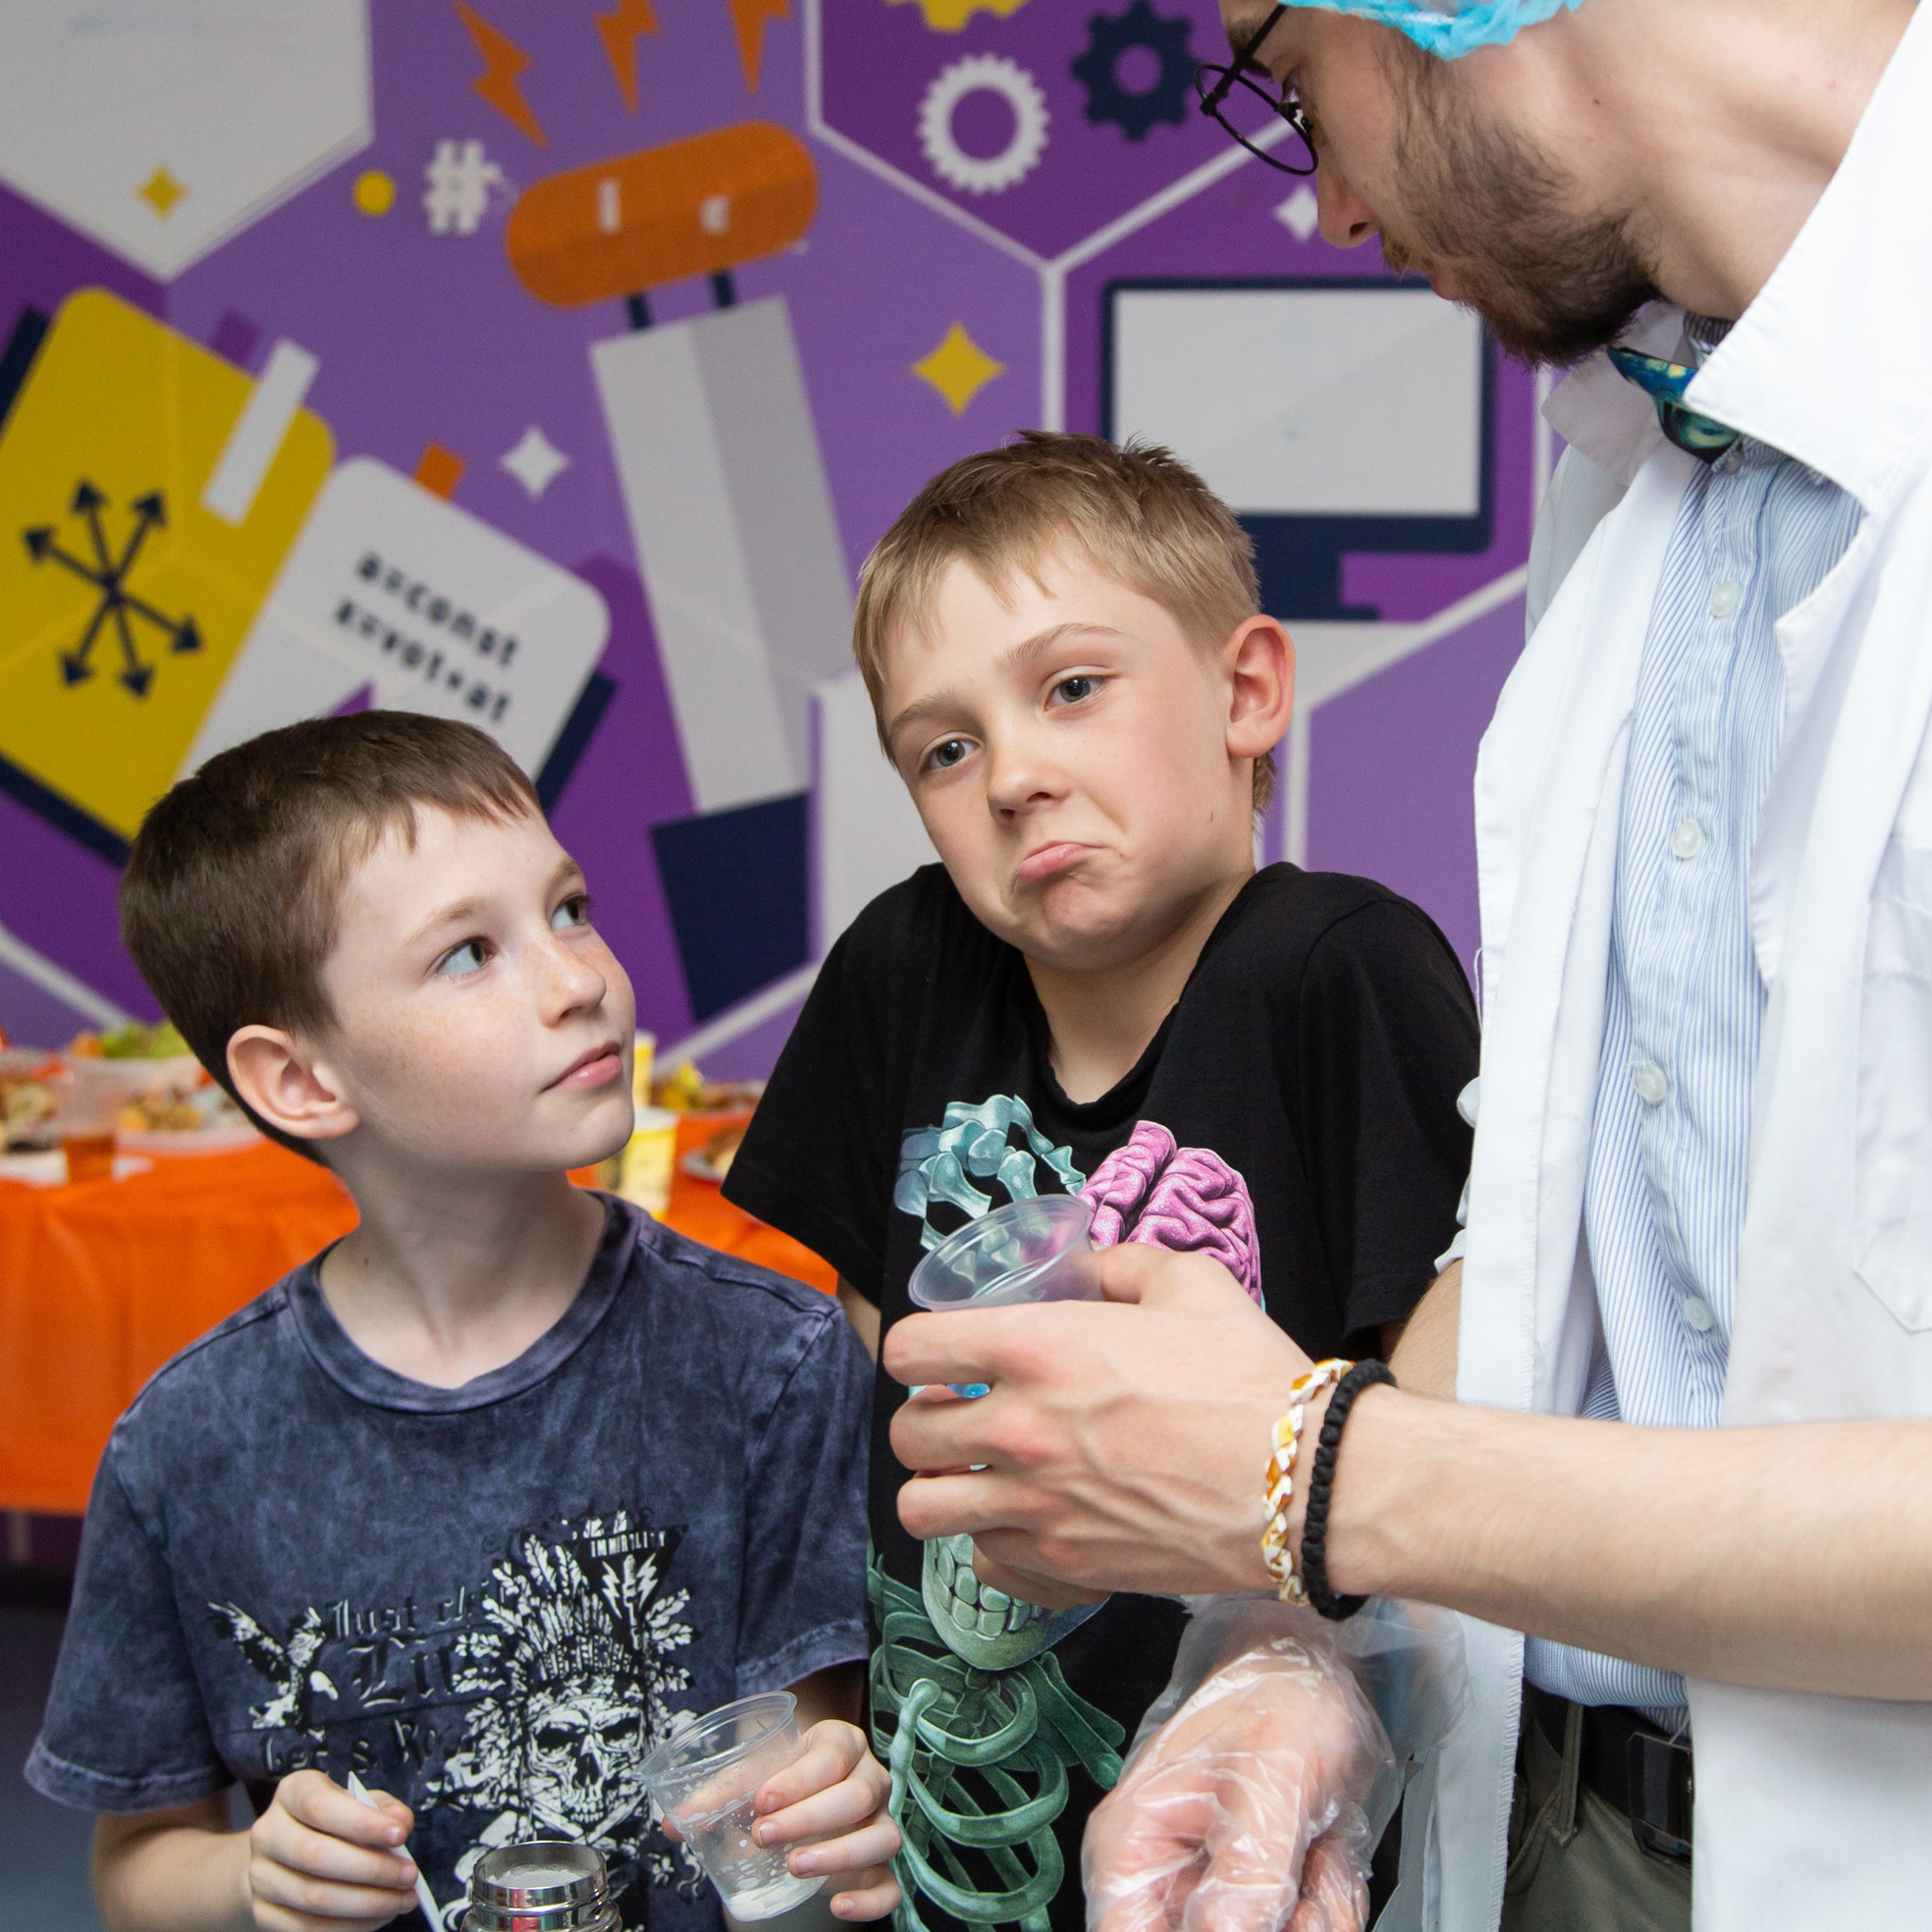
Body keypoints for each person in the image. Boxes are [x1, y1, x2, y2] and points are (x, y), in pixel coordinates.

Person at [884, 0, 1932, 1928]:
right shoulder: (1655, 460)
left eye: (1288, 83)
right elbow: (1573, 1245)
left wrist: (1312, 1482)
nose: (1327, 207)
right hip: (1570, 1822)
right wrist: (1294, 1667)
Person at [721, 432, 1480, 1929]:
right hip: (948, 1795)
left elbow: (1438, 1389)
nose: (1010, 776)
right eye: (943, 748)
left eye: (1072, 688)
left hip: (1244, 1800)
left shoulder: (1342, 971)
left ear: (1246, 693)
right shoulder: (903, 963)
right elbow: (875, 1353)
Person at [25, 713, 900, 1932]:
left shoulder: (775, 1364)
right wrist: (247, 1878)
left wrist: (831, 1797)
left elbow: (813, 1760)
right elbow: (137, 1869)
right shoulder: (185, 1446)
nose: (579, 979)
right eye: (466, 954)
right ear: (301, 1080)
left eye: (569, 908)